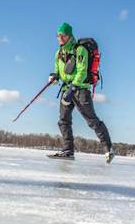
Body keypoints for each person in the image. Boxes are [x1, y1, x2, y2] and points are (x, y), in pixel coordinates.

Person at [48, 22, 114, 163]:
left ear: (69, 36)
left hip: (80, 89)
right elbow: (57, 70)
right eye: (58, 35)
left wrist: (73, 88)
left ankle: (108, 149)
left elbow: (82, 71)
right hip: (66, 89)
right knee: (63, 120)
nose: (60, 38)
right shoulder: (58, 53)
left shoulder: (80, 50)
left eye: (63, 35)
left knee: (92, 120)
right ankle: (68, 150)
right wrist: (54, 77)